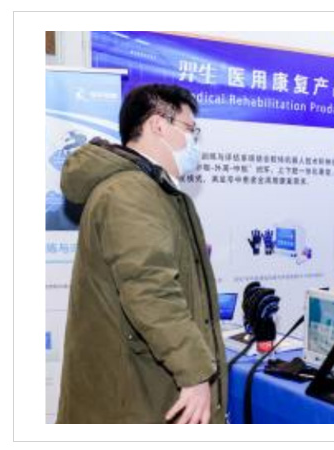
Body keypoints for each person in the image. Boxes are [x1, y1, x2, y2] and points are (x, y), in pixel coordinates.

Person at [57, 84, 227, 424]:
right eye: (190, 130)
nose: (194, 142)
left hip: (143, 385)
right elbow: (150, 290)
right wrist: (194, 372)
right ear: (158, 125)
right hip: (132, 396)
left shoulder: (151, 190)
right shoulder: (131, 192)